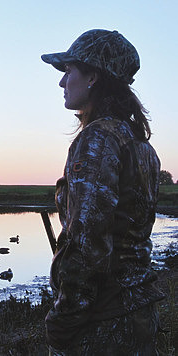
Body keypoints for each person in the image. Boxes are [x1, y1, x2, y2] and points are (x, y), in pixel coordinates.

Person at [41, 29, 164, 355]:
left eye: (69, 71)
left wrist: (63, 320)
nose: (62, 83)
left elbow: (88, 243)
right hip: (139, 312)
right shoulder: (142, 146)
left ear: (93, 76)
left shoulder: (97, 140)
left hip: (104, 323)